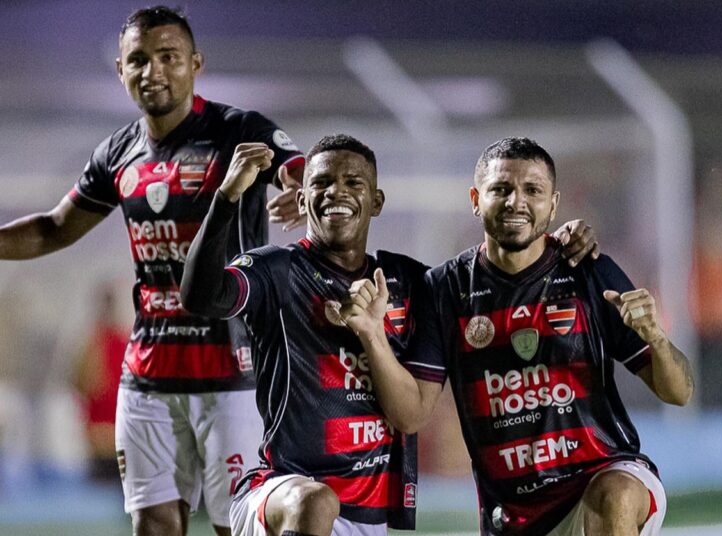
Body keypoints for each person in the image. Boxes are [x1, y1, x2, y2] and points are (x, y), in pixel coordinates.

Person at [180, 134, 599, 536]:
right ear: (303, 199)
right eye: (322, 183)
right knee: (316, 502)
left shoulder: (412, 281)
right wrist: (226, 198)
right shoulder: (277, 271)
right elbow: (201, 296)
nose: (336, 192)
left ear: (376, 201)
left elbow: (488, 279)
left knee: (322, 504)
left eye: (353, 183)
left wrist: (558, 243)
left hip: (367, 512)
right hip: (284, 491)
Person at [0, 6, 304, 536]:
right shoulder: (118, 153)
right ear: (120, 70)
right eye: (138, 60)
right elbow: (53, 228)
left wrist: (300, 191)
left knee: (240, 524)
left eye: (168, 57)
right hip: (147, 379)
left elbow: (298, 169)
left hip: (232, 376)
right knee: (155, 525)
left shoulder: (238, 129)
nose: (153, 71)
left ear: (195, 64)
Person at [351, 137, 695, 536]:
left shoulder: (588, 271)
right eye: (501, 189)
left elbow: (678, 393)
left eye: (533, 190)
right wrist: (372, 336)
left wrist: (656, 337)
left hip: (600, 477)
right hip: (512, 515)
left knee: (614, 495)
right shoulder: (444, 288)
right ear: (476, 199)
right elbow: (410, 415)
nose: (517, 202)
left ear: (553, 203)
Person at [71, 282, 130, 483]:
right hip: (102, 443)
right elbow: (82, 385)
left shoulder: (123, 343)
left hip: (119, 441)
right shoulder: (93, 345)